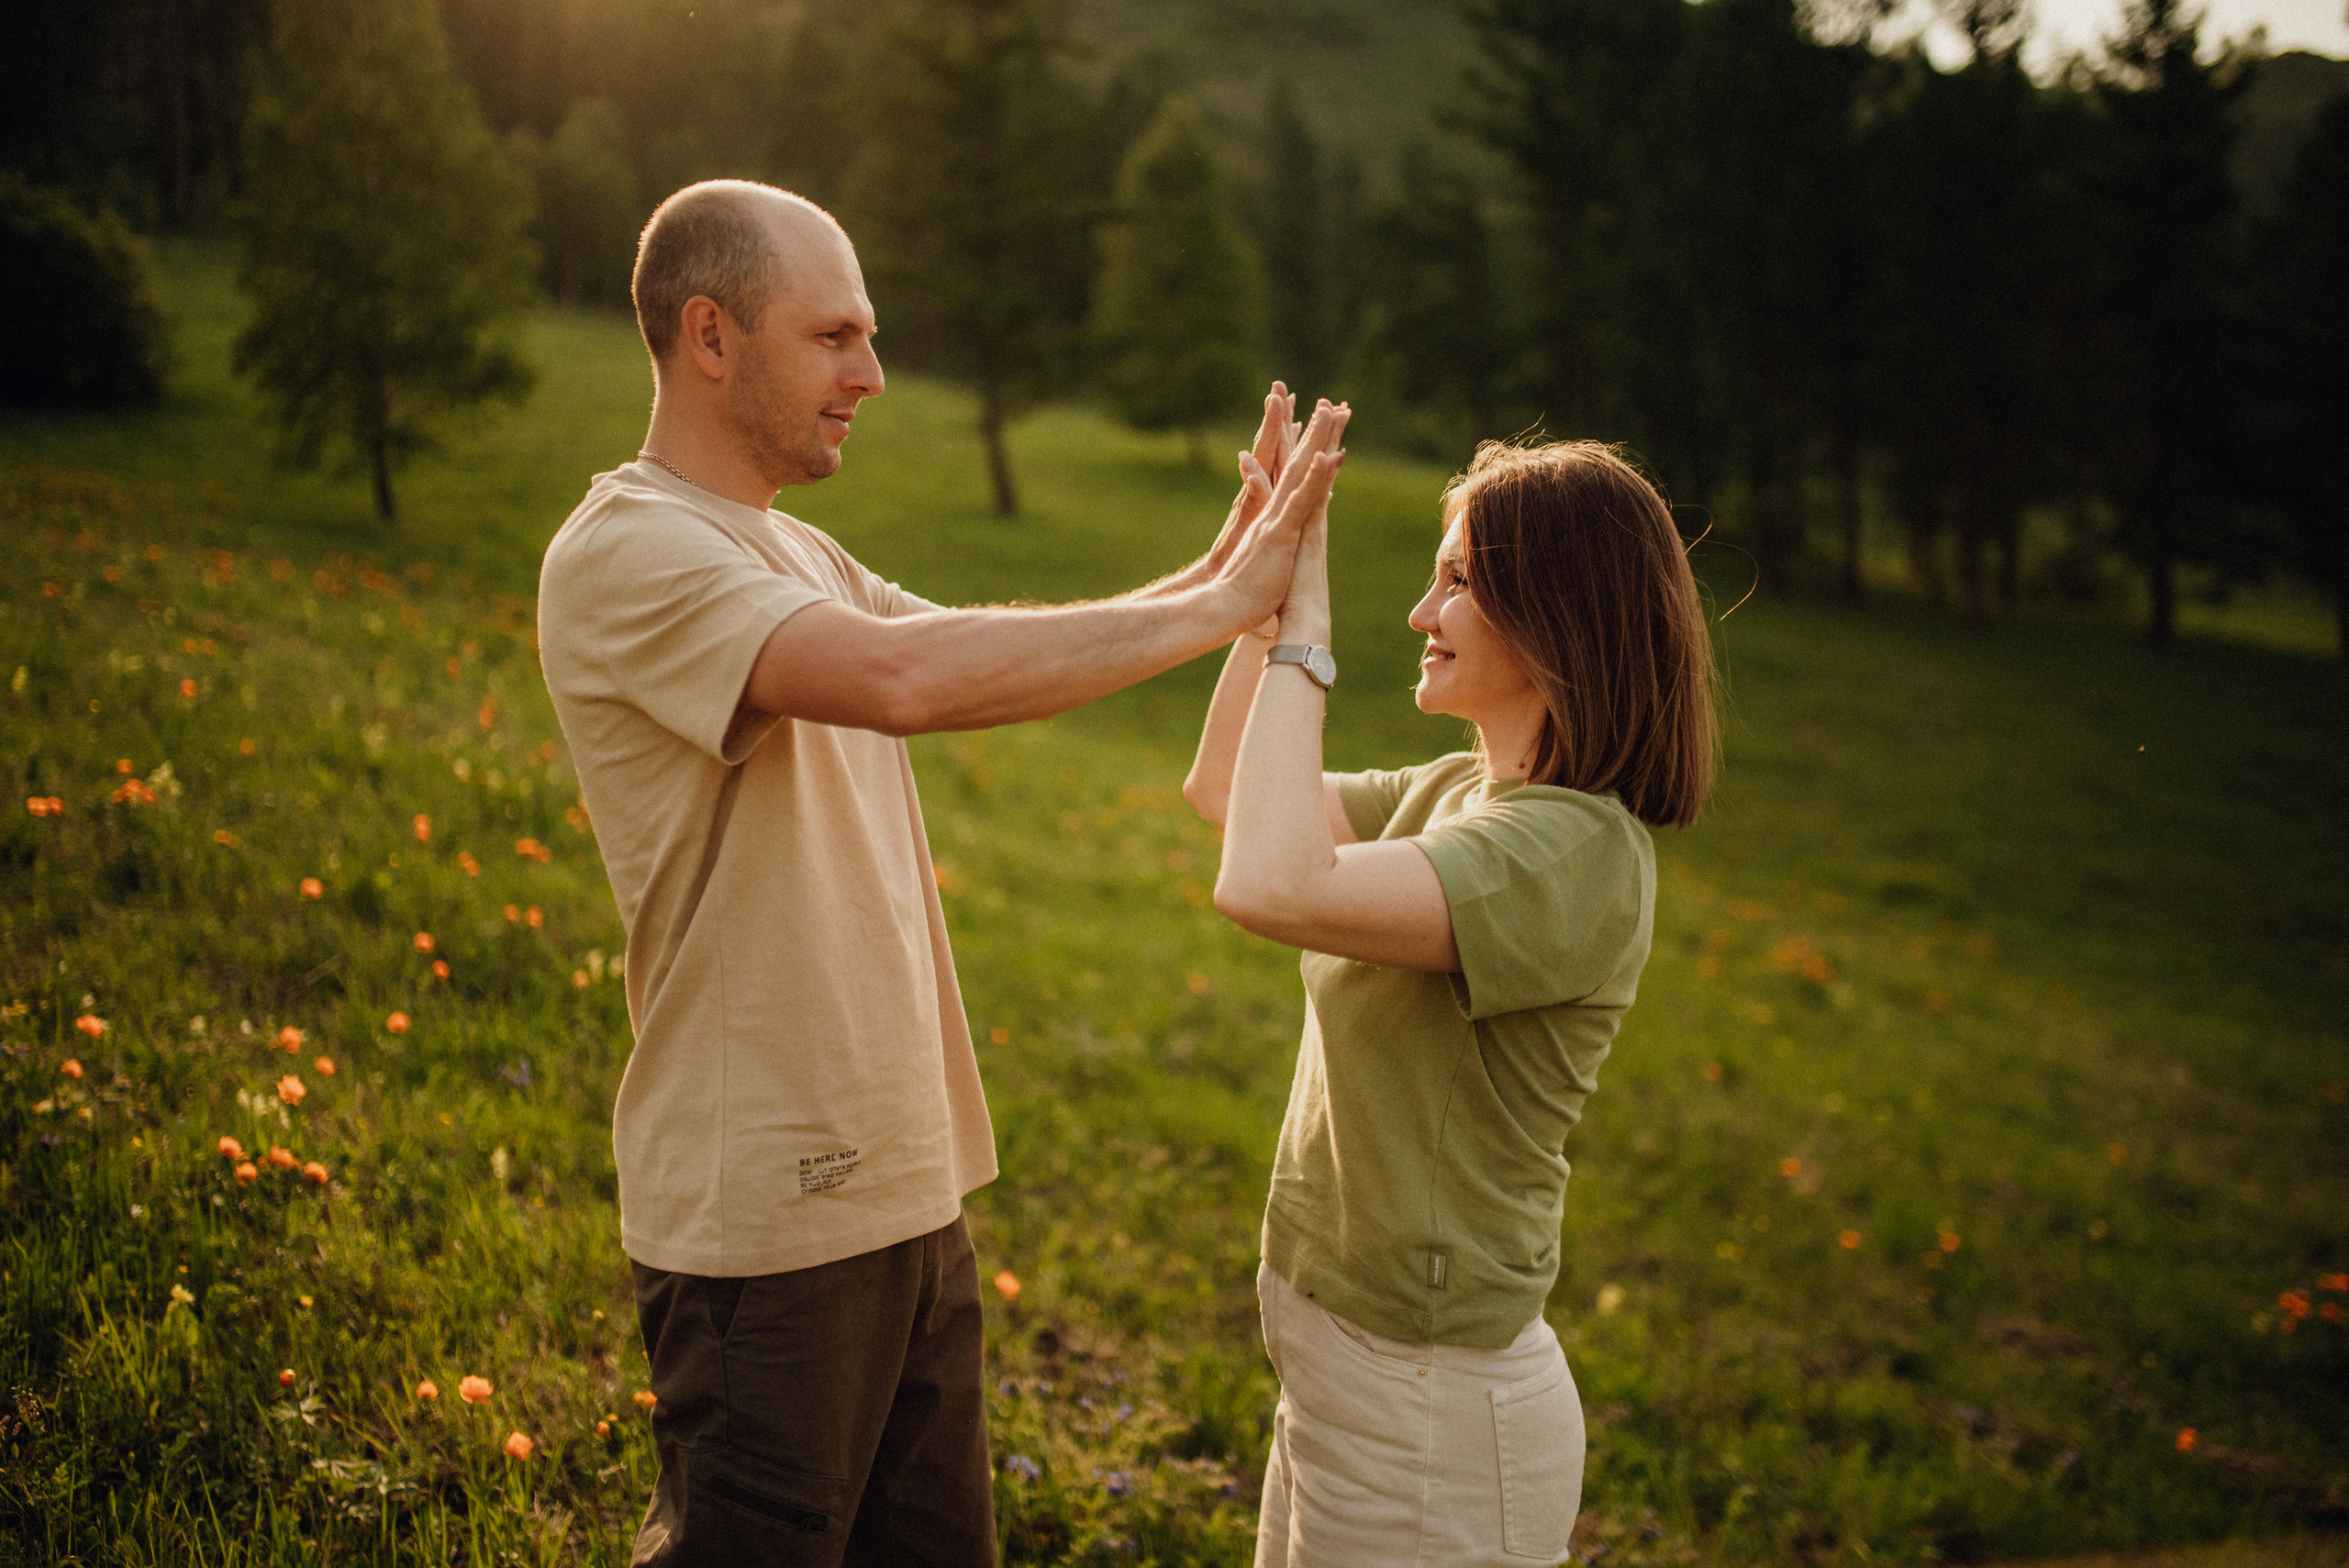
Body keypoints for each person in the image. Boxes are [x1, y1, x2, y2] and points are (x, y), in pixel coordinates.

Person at [535, 178, 1345, 1566]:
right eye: (835, 336)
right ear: (711, 334)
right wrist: (1228, 596)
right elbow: (906, 679)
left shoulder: (795, 548)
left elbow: (975, 638)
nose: (874, 373)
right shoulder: (627, 549)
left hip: (905, 1192)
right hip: (768, 1215)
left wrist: (1228, 567)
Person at [1183, 436, 1718, 1566]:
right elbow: (1228, 789)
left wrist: (1310, 638)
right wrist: (1265, 598)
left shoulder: (1567, 851)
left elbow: (1269, 881)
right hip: (1349, 1368)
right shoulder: (1456, 793)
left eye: (1460, 581)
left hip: (1428, 1410)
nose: (1422, 610)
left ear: (1556, 614)